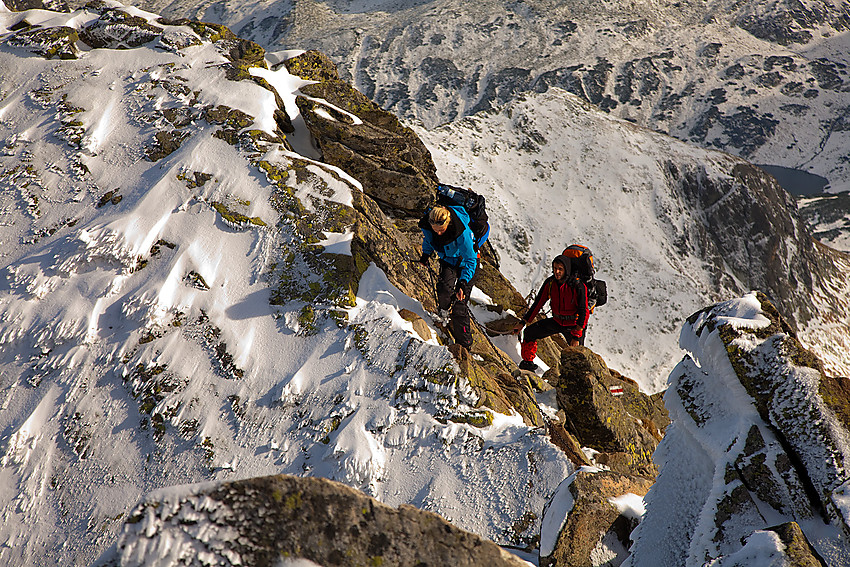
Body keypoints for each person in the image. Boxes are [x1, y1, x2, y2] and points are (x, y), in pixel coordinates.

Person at [512, 254, 589, 371]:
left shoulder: (577, 285)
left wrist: (577, 336)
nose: (557, 272)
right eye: (555, 268)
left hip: (574, 325)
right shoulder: (550, 283)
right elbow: (538, 304)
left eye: (560, 269)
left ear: (566, 269)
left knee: (577, 355)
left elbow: (584, 311)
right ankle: (528, 363)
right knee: (529, 333)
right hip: (557, 321)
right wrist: (523, 322)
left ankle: (577, 378)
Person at [418, 204, 478, 349]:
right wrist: (426, 254)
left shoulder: (460, 232)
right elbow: (429, 240)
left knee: (459, 305)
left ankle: (464, 344)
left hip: (467, 263)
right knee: (444, 290)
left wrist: (463, 283)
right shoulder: (429, 228)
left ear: (448, 223)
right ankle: (444, 315)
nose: (438, 233)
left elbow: (471, 259)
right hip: (448, 261)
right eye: (435, 230)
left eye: (441, 230)